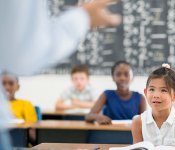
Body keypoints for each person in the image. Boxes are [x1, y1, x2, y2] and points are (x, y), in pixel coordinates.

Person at [0, 0, 121, 149]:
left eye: (81, 78)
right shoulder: (69, 91)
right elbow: (25, 53)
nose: (78, 81)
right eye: (75, 78)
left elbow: (94, 108)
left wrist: (75, 104)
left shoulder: (95, 91)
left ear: (88, 79)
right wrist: (83, 17)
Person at [131, 64, 175, 146]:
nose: (156, 95)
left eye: (163, 90)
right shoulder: (138, 123)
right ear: (145, 92)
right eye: (152, 89)